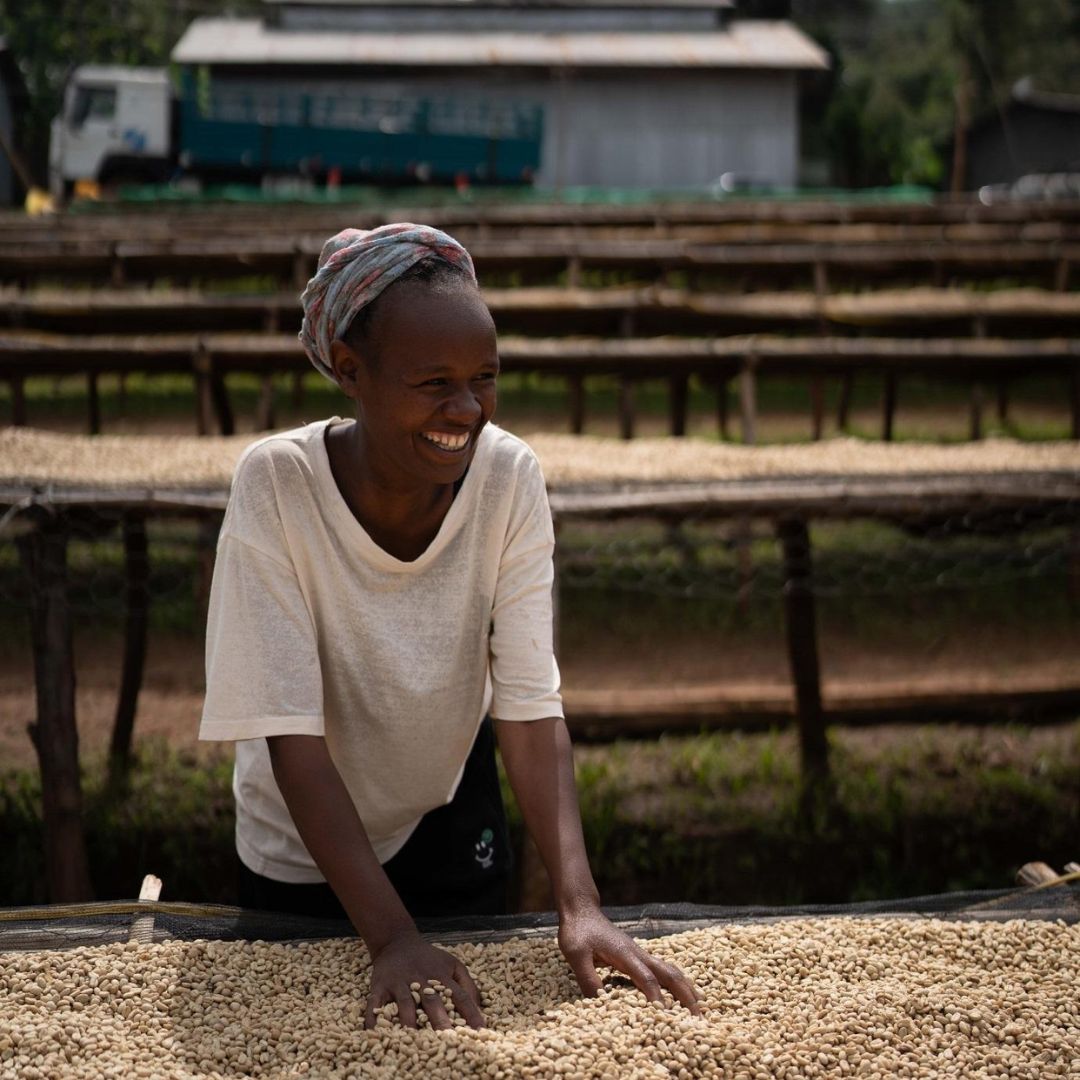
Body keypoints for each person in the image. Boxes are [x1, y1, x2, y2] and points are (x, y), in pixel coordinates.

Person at [199, 223, 699, 1030]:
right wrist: (393, 938)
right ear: (352, 373)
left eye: (484, 379)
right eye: (434, 382)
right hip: (305, 852)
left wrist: (581, 903)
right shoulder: (279, 486)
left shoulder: (507, 478)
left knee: (462, 1028)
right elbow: (290, 737)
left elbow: (532, 706)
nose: (464, 409)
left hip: (447, 809)